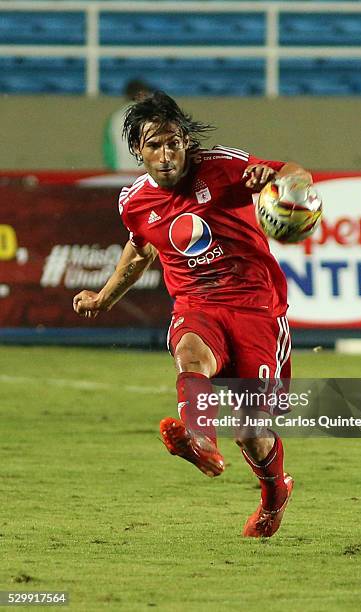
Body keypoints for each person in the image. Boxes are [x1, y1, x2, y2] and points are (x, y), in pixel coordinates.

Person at [74, 91, 312, 538]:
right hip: (196, 304)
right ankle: (201, 441)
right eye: (153, 146)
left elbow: (295, 172)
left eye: (172, 143)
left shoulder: (222, 167)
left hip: (256, 306)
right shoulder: (135, 202)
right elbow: (140, 248)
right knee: (190, 353)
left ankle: (275, 494)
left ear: (186, 142)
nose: (165, 156)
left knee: (252, 434)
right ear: (138, 152)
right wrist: (105, 297)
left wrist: (278, 180)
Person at [103, 79, 151, 172]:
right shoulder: (152, 116)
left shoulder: (115, 118)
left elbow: (109, 153)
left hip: (120, 174)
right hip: (145, 174)